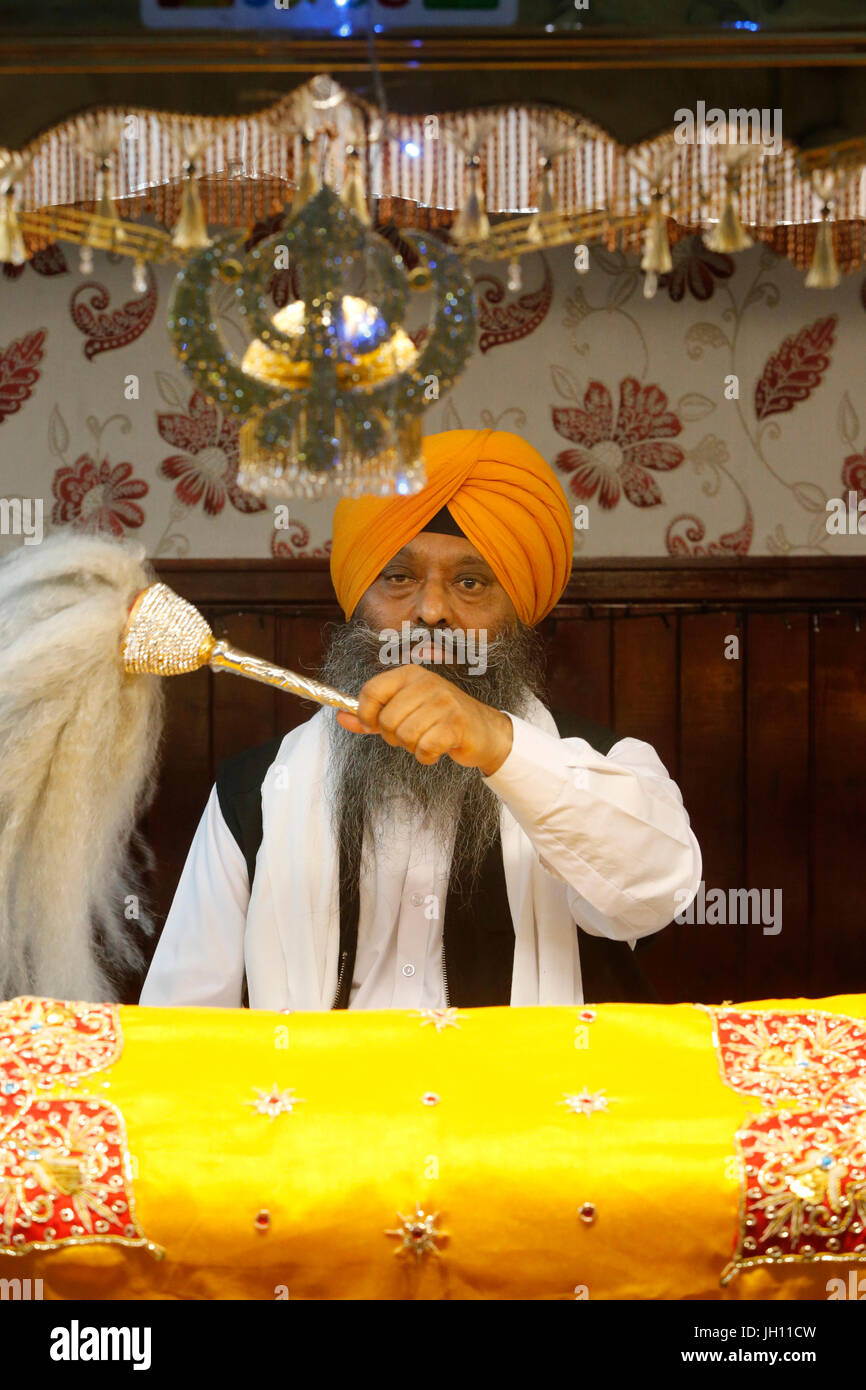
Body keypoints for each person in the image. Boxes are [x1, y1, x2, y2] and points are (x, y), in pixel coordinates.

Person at [140, 428, 701, 1011]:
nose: (431, 613)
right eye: (399, 578)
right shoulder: (254, 792)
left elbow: (657, 892)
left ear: (520, 611)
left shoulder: (609, 766)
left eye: (470, 583)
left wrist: (498, 744)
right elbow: (181, 1026)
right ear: (359, 598)